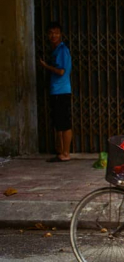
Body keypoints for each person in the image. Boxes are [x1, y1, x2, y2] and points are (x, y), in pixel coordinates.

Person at [39, 22, 73, 162]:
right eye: (51, 32)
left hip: (62, 90)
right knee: (58, 123)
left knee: (64, 123)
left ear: (61, 34)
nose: (53, 35)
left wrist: (46, 66)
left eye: (56, 32)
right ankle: (60, 151)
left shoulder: (62, 50)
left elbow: (61, 71)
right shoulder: (55, 50)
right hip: (56, 91)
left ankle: (66, 153)